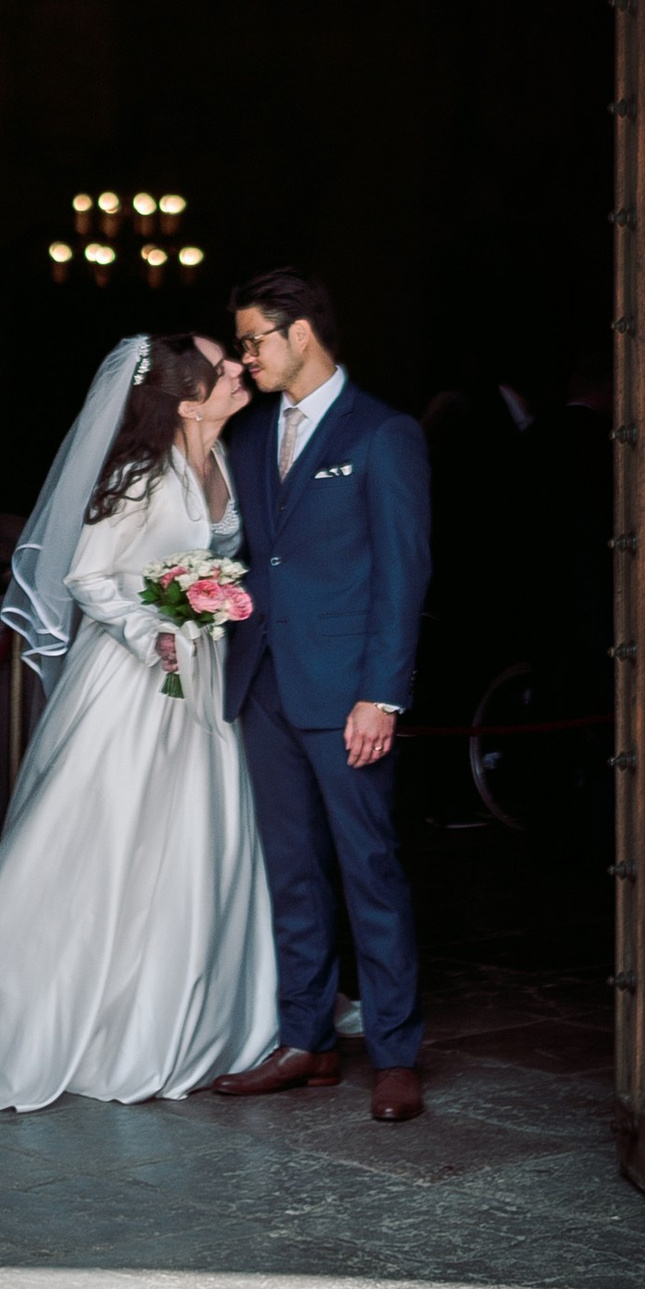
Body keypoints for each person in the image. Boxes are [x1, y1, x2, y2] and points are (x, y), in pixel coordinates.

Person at [0, 332, 278, 1110]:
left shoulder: (226, 462)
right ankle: (45, 1019)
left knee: (201, 841)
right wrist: (150, 628)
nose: (238, 370)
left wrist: (209, 608)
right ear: (186, 400)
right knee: (107, 838)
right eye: (220, 367)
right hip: (133, 685)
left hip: (202, 682)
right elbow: (88, 576)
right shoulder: (136, 477)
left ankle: (194, 1015)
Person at [213, 269, 433, 1123]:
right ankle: (305, 1040)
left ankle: (395, 1053)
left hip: (347, 693)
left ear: (300, 333)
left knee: (369, 867)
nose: (246, 356)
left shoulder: (384, 433)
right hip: (263, 683)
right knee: (292, 872)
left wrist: (382, 695)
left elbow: (403, 574)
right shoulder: (250, 433)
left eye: (253, 340)